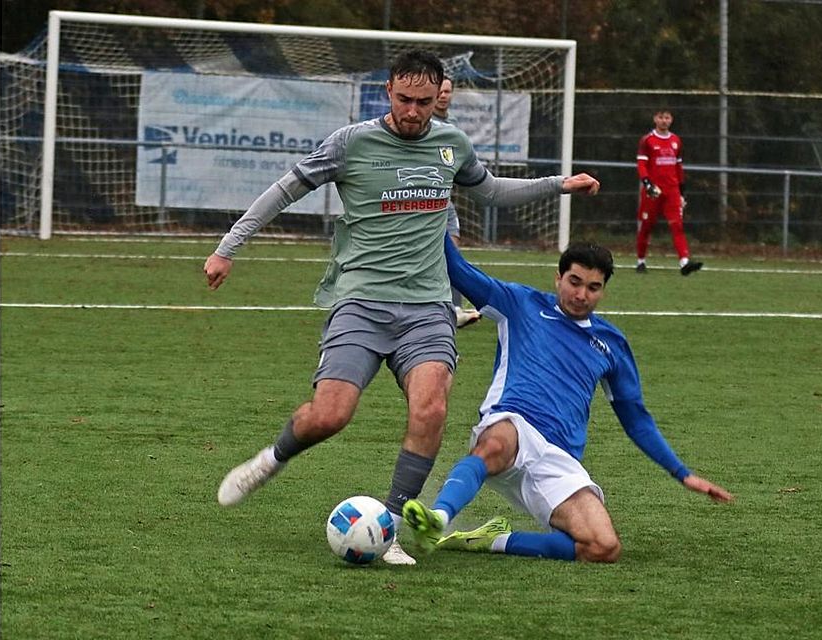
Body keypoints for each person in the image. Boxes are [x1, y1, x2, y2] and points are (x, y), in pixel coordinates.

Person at [204, 49, 601, 566]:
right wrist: (227, 247)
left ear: (439, 97)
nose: (414, 112)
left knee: (431, 407)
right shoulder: (351, 143)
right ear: (388, 91)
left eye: (424, 102)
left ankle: (388, 525)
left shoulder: (451, 144)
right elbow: (284, 190)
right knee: (330, 415)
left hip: (428, 306)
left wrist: (558, 184)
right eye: (404, 99)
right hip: (361, 303)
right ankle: (272, 458)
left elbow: (492, 193)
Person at [402, 234, 733, 562]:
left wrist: (682, 473)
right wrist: (433, 213)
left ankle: (489, 541)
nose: (581, 294)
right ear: (558, 277)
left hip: (559, 458)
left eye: (593, 287)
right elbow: (458, 269)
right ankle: (439, 518)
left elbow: (636, 420)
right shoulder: (519, 304)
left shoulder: (611, 343)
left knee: (602, 547)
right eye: (574, 282)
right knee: (497, 443)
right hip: (513, 424)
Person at [433, 76, 480, 328]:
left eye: (448, 91)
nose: (443, 95)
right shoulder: (423, 122)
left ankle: (454, 308)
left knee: (452, 256)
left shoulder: (451, 126)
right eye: (440, 90)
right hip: (426, 201)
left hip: (446, 202)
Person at [634, 108, 703, 276]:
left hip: (672, 191)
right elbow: (642, 164)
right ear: (655, 119)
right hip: (653, 191)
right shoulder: (647, 140)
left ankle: (684, 262)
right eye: (660, 117)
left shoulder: (676, 140)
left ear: (671, 119)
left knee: (677, 225)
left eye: (667, 117)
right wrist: (647, 183)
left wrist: (682, 190)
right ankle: (641, 261)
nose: (664, 120)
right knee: (647, 226)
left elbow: (678, 167)